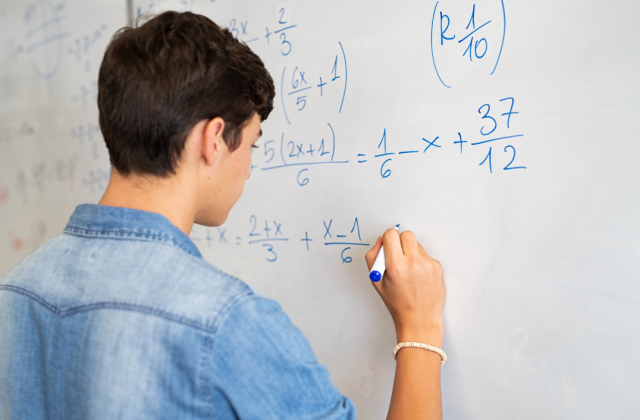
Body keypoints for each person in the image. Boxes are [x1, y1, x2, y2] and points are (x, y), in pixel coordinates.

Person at [0, 11, 446, 420]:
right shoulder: (226, 322)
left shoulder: (16, 290)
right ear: (213, 139)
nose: (250, 166)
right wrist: (420, 327)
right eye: (252, 144)